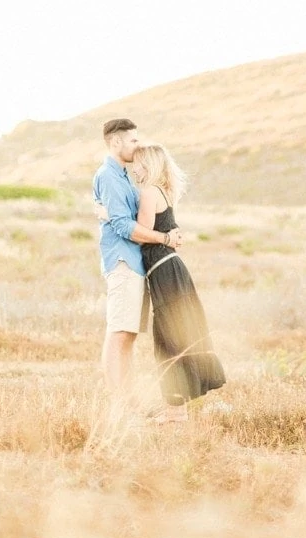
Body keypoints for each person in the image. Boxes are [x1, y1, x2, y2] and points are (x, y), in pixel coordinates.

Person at [129, 143, 226, 423]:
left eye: (137, 163)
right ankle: (177, 409)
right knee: (175, 333)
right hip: (171, 268)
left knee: (168, 337)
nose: (134, 168)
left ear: (147, 164)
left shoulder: (149, 192)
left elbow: (140, 234)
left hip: (163, 271)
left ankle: (175, 412)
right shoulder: (164, 191)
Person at [93, 118, 182, 406]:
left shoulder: (124, 177)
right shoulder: (108, 175)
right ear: (116, 142)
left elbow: (125, 217)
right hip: (123, 261)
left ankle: (127, 400)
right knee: (119, 333)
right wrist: (165, 238)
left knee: (128, 336)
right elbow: (123, 225)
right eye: (132, 140)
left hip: (135, 264)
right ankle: (119, 402)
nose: (137, 145)